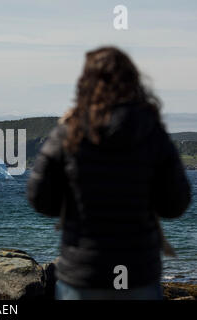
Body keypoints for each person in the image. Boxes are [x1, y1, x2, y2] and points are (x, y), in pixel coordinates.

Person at [27, 46, 191, 300]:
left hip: (82, 275)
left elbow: (40, 200)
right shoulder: (151, 132)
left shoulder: (68, 132)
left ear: (86, 84)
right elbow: (175, 205)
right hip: (138, 273)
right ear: (133, 82)